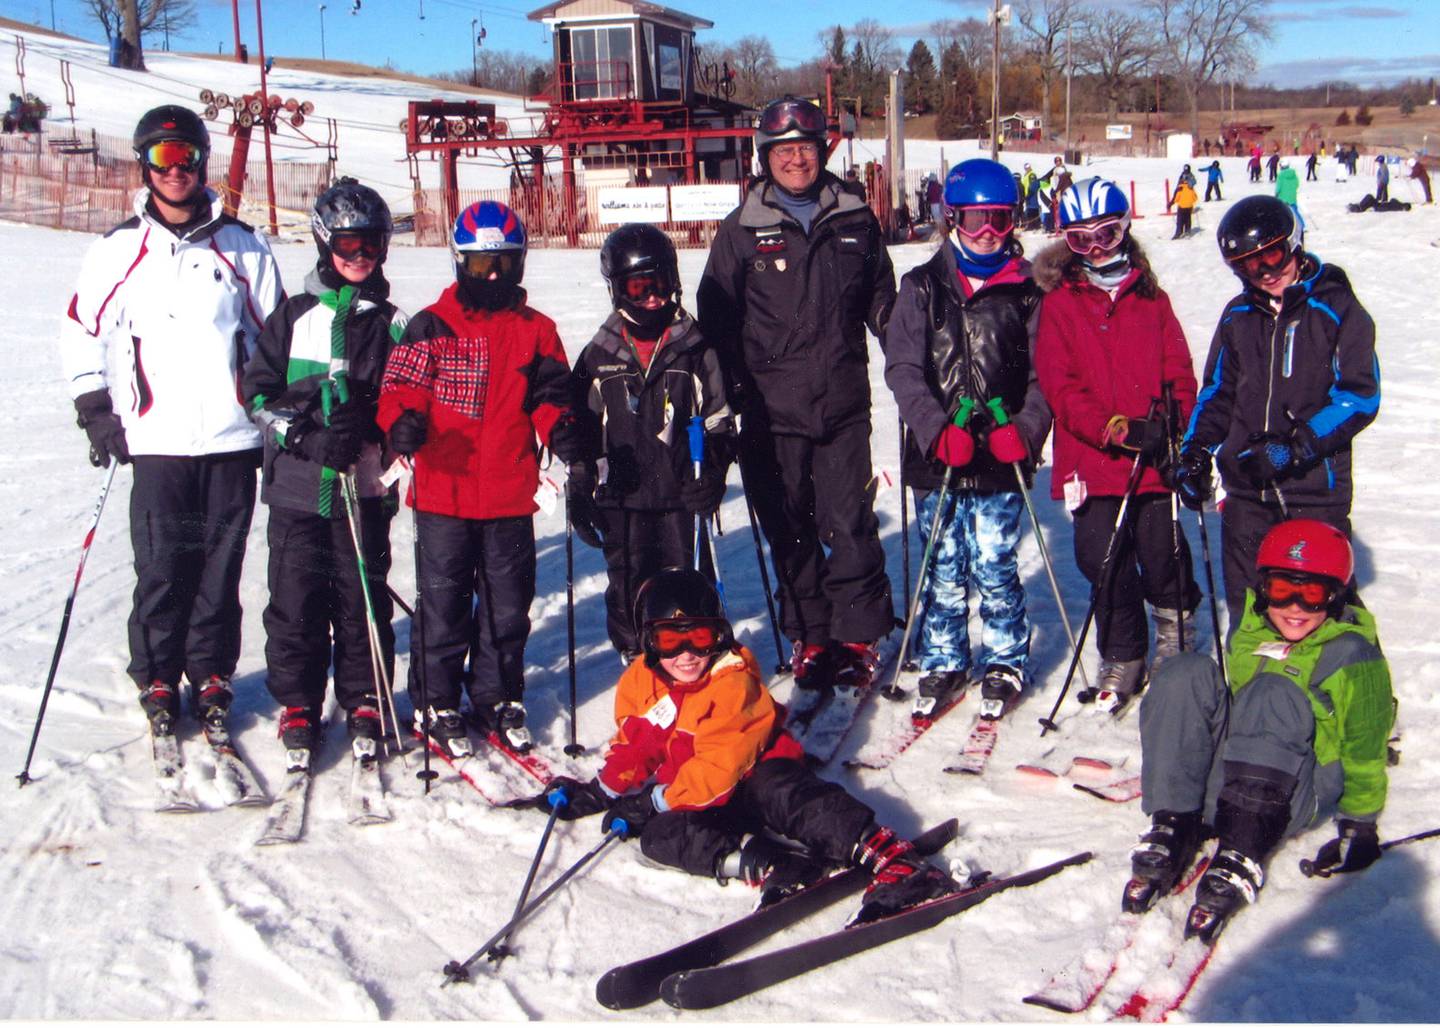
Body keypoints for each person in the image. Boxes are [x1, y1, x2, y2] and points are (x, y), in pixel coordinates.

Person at [526, 568, 959, 923]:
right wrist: (605, 790)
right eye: (669, 640)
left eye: (698, 637)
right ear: (649, 643)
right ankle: (775, 864)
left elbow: (718, 769)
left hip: (754, 775)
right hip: (704, 795)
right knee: (660, 837)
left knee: (785, 795)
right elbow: (636, 744)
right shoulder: (642, 680)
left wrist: (656, 798)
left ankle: (891, 857)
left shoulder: (732, 682)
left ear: (719, 635)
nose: (686, 654)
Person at [60, 105, 283, 739]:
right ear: (145, 165)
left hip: (232, 438)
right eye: (162, 157)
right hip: (155, 436)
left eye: (186, 156)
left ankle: (211, 672)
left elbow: (275, 340)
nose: (176, 169)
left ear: (202, 161)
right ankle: (158, 673)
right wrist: (96, 407)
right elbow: (80, 329)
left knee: (220, 565)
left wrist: (273, 411)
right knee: (162, 563)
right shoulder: (119, 250)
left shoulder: (241, 245)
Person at [697, 96, 896, 708]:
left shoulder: (856, 219)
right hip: (769, 408)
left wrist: (917, 360)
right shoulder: (740, 231)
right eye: (782, 151)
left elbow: (882, 303)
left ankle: (858, 638)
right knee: (789, 526)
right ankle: (810, 634)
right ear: (766, 157)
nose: (795, 160)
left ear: (822, 151)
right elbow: (717, 320)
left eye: (805, 148)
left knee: (851, 522)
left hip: (840, 403)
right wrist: (723, 395)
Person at [377, 200, 587, 755]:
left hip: (508, 491)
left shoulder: (536, 330)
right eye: (479, 266)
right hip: (444, 491)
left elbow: (549, 394)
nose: (492, 277)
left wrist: (560, 428)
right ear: (458, 263)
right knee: (444, 601)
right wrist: (402, 422)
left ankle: (497, 694)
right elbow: (400, 389)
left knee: (506, 603)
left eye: (503, 264)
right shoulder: (431, 324)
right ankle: (436, 698)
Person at [1124, 520, 1392, 942]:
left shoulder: (1353, 654)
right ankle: (1174, 821)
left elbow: (1366, 745)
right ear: (1263, 588)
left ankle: (1244, 846)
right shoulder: (1250, 631)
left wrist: (1359, 823)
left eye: (1313, 593)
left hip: (1293, 793)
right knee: (1185, 670)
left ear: (1336, 596)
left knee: (1272, 692)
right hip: (1237, 772)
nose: (1296, 607)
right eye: (1282, 589)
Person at [242, 179, 406, 765]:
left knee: (360, 596)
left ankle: (364, 696)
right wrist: (306, 435)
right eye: (346, 246)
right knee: (295, 598)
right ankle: (298, 702)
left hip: (361, 489)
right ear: (322, 244)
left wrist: (377, 423)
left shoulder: (392, 323)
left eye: (370, 246)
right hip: (296, 487)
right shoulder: (293, 316)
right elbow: (257, 396)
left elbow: (407, 402)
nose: (358, 257)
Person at [882, 159, 1050, 721]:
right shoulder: (922, 287)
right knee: (943, 562)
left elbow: (1044, 378)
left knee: (996, 561)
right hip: (942, 457)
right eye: (975, 219)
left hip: (1002, 455)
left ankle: (1004, 657)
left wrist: (1025, 431)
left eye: (999, 220)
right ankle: (945, 656)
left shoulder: (1029, 291)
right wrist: (933, 430)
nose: (986, 233)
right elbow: (903, 369)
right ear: (952, 218)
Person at [1034, 178, 1201, 713]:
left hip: (1152, 458)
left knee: (1161, 552)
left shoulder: (1153, 300)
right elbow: (1060, 385)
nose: (1098, 248)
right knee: (1100, 557)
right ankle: (1122, 652)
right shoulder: (1061, 305)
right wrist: (1112, 428)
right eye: (1082, 241)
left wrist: (1172, 423)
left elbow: (1179, 371)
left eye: (1107, 234)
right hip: (1095, 458)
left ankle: (1174, 642)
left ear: (1125, 227)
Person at [1175, 196, 1379, 625]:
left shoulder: (1337, 308)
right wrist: (1195, 451)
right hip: (1248, 488)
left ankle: (1353, 685)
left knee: (1322, 605)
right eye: (1248, 264)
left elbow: (1359, 397)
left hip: (1312, 489)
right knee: (1251, 607)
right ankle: (1253, 687)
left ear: (1294, 243)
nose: (1265, 270)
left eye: (1272, 253)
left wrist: (1295, 447)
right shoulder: (1238, 316)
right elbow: (1218, 392)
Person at [568, 224, 736, 660]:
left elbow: (719, 419)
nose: (651, 299)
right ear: (617, 290)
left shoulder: (694, 348)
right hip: (623, 497)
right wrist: (580, 486)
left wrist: (713, 472)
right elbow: (581, 430)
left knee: (689, 578)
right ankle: (638, 659)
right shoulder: (600, 355)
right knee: (627, 581)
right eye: (638, 288)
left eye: (659, 285)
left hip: (682, 491)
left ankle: (699, 651)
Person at [1275, 159, 1303, 234]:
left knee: (1284, 213)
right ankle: (1302, 225)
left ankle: (1284, 227)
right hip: (1292, 196)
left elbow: (1278, 187)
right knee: (1295, 212)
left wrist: (1276, 194)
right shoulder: (1293, 174)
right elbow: (1297, 184)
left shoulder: (1281, 175)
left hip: (1283, 197)